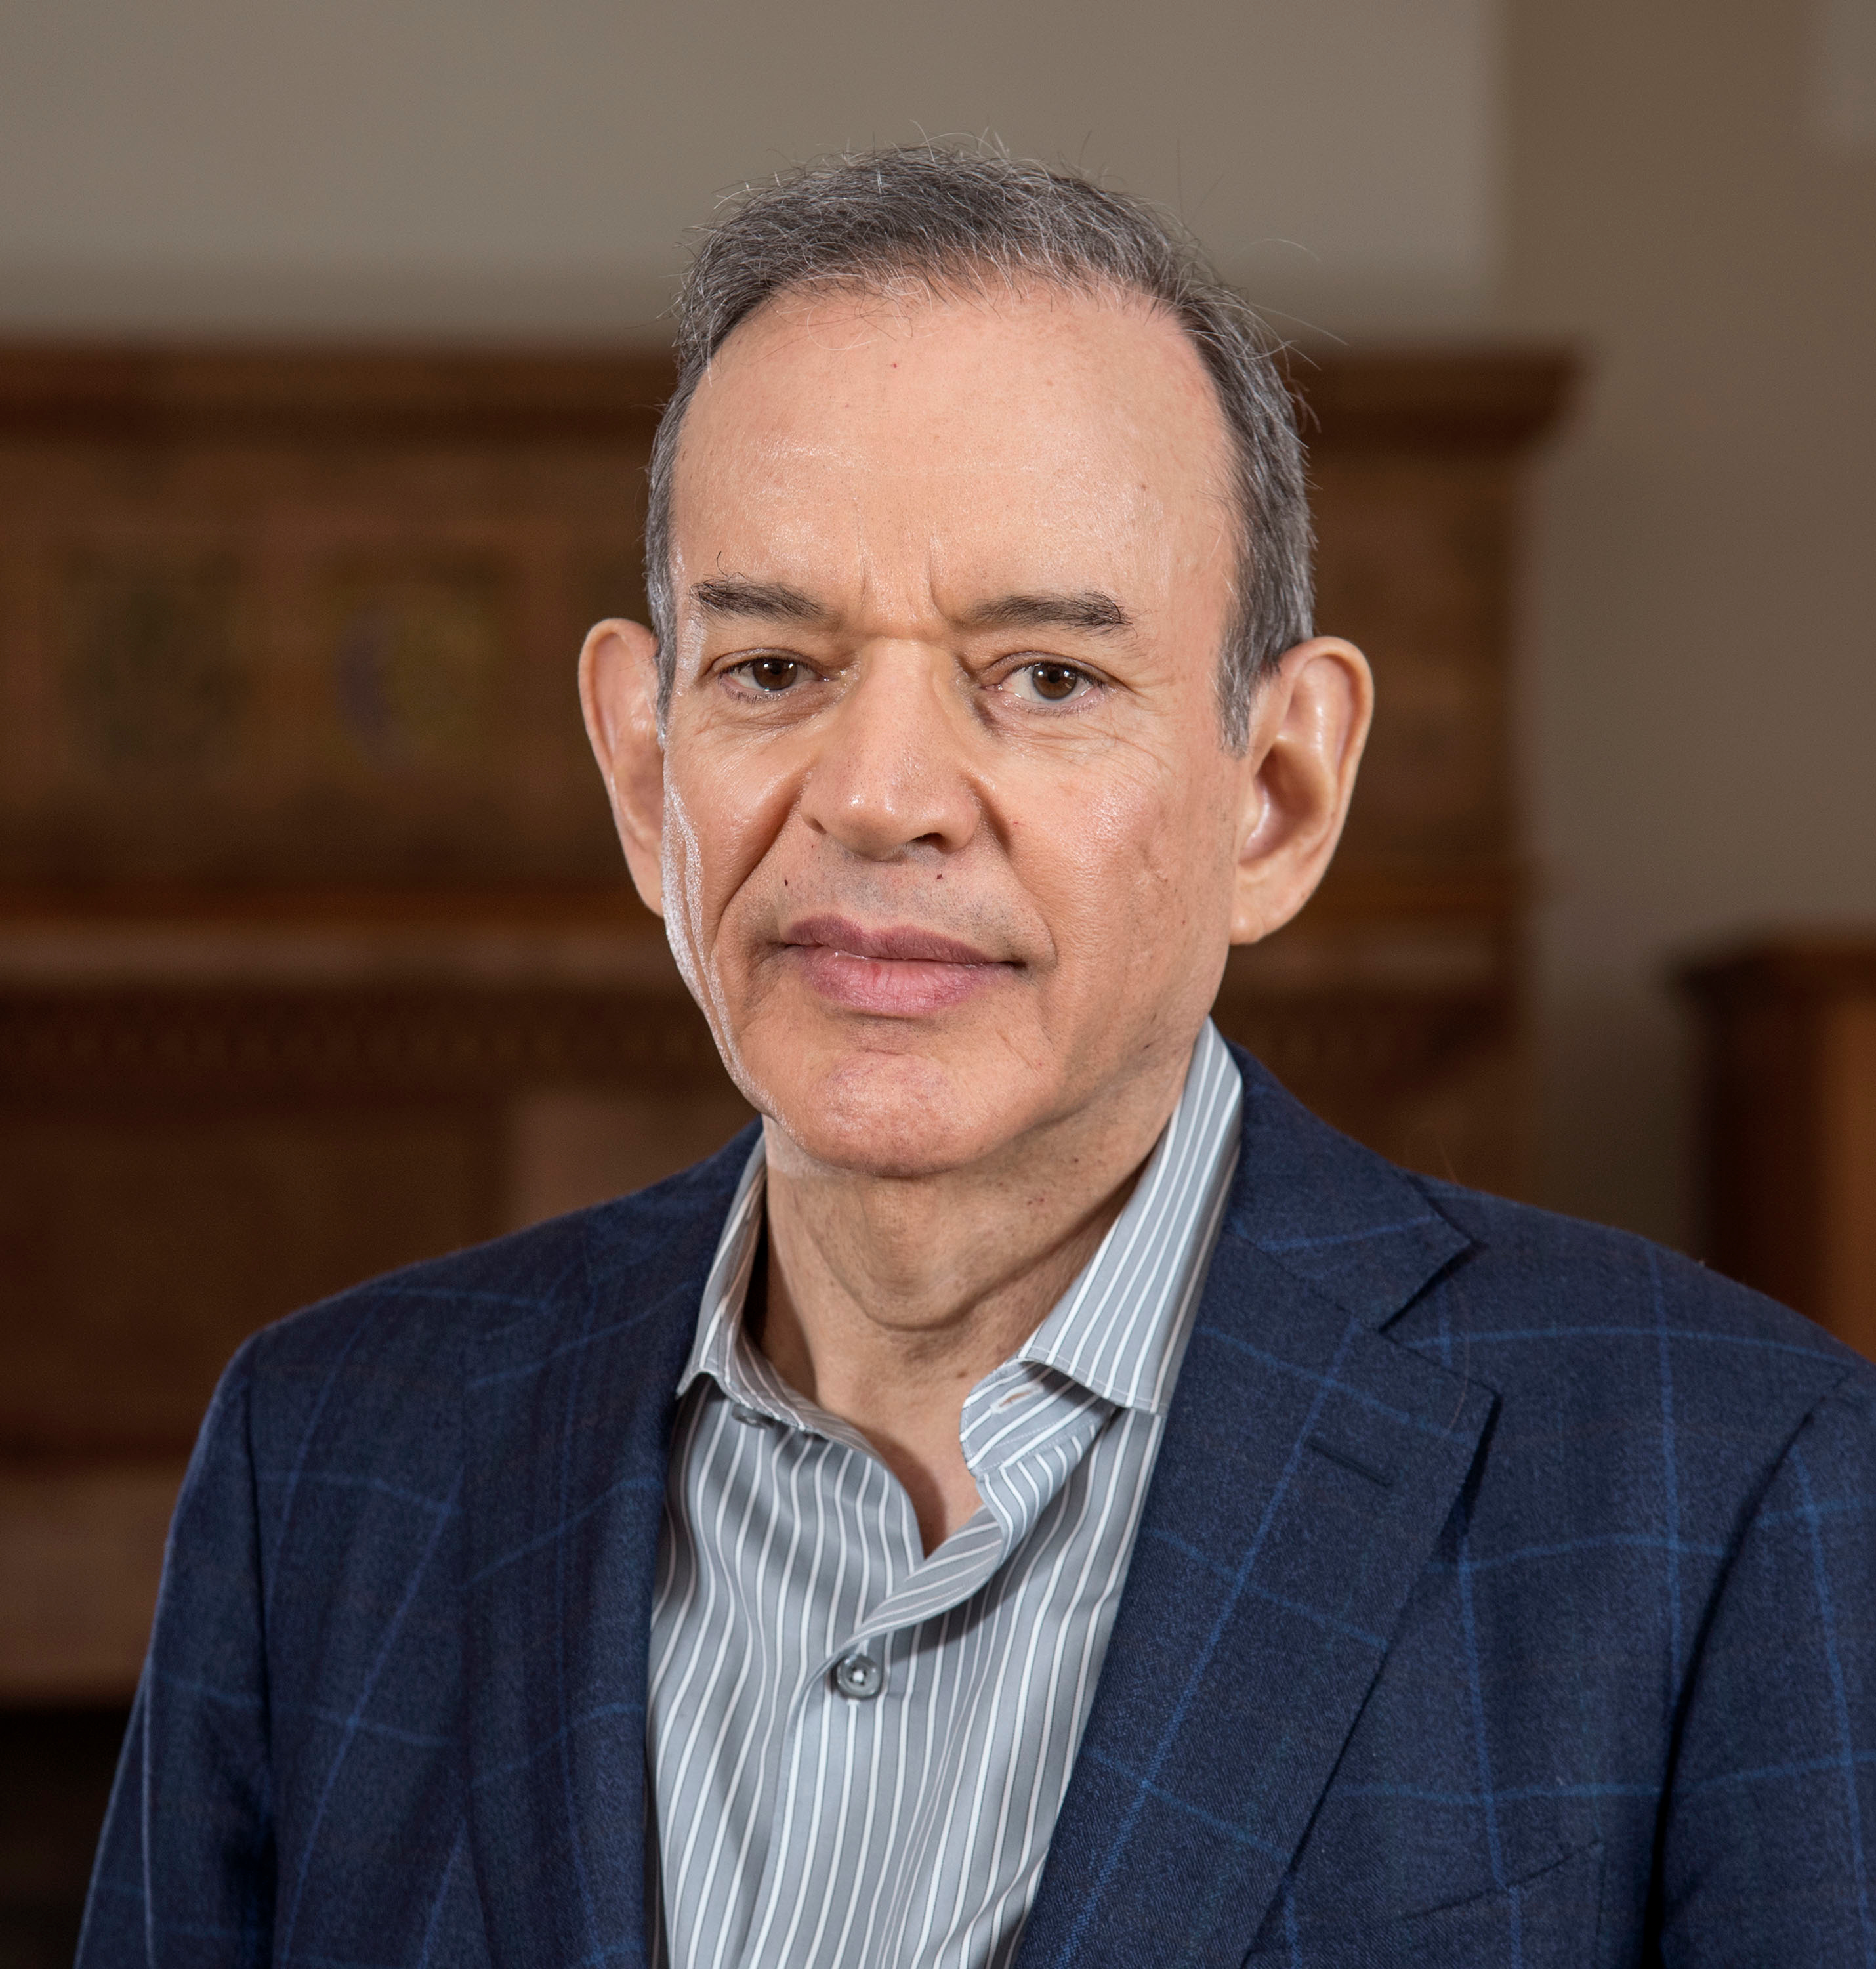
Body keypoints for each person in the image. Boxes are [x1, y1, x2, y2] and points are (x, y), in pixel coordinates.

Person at [81, 147, 1876, 1969]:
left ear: (1277, 794)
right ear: (644, 778)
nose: (876, 798)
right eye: (773, 667)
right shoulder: (326, 1457)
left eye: (1041, 677)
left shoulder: (1724, 1488)